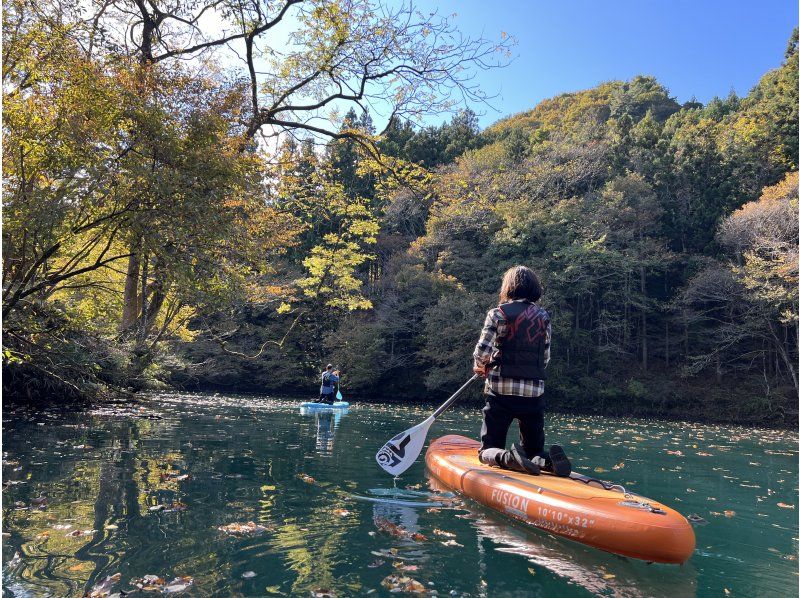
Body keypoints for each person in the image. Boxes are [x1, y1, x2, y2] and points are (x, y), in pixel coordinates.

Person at [472, 265, 571, 477]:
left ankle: (507, 457)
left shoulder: (497, 314)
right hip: (534, 393)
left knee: (487, 448)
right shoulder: (544, 317)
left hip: (500, 392)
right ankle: (547, 461)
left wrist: (481, 366)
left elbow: (482, 352)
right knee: (534, 449)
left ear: (508, 288)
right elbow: (545, 358)